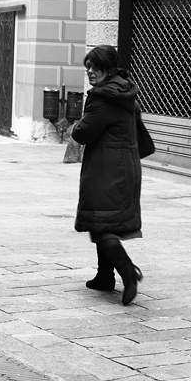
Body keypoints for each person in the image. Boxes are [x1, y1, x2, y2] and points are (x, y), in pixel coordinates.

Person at [70, 45, 144, 306]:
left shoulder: (103, 98)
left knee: (100, 224)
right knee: (104, 221)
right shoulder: (124, 92)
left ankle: (128, 270)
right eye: (88, 67)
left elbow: (84, 133)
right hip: (125, 167)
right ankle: (104, 276)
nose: (90, 71)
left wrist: (76, 125)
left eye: (96, 67)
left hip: (107, 170)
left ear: (109, 69)